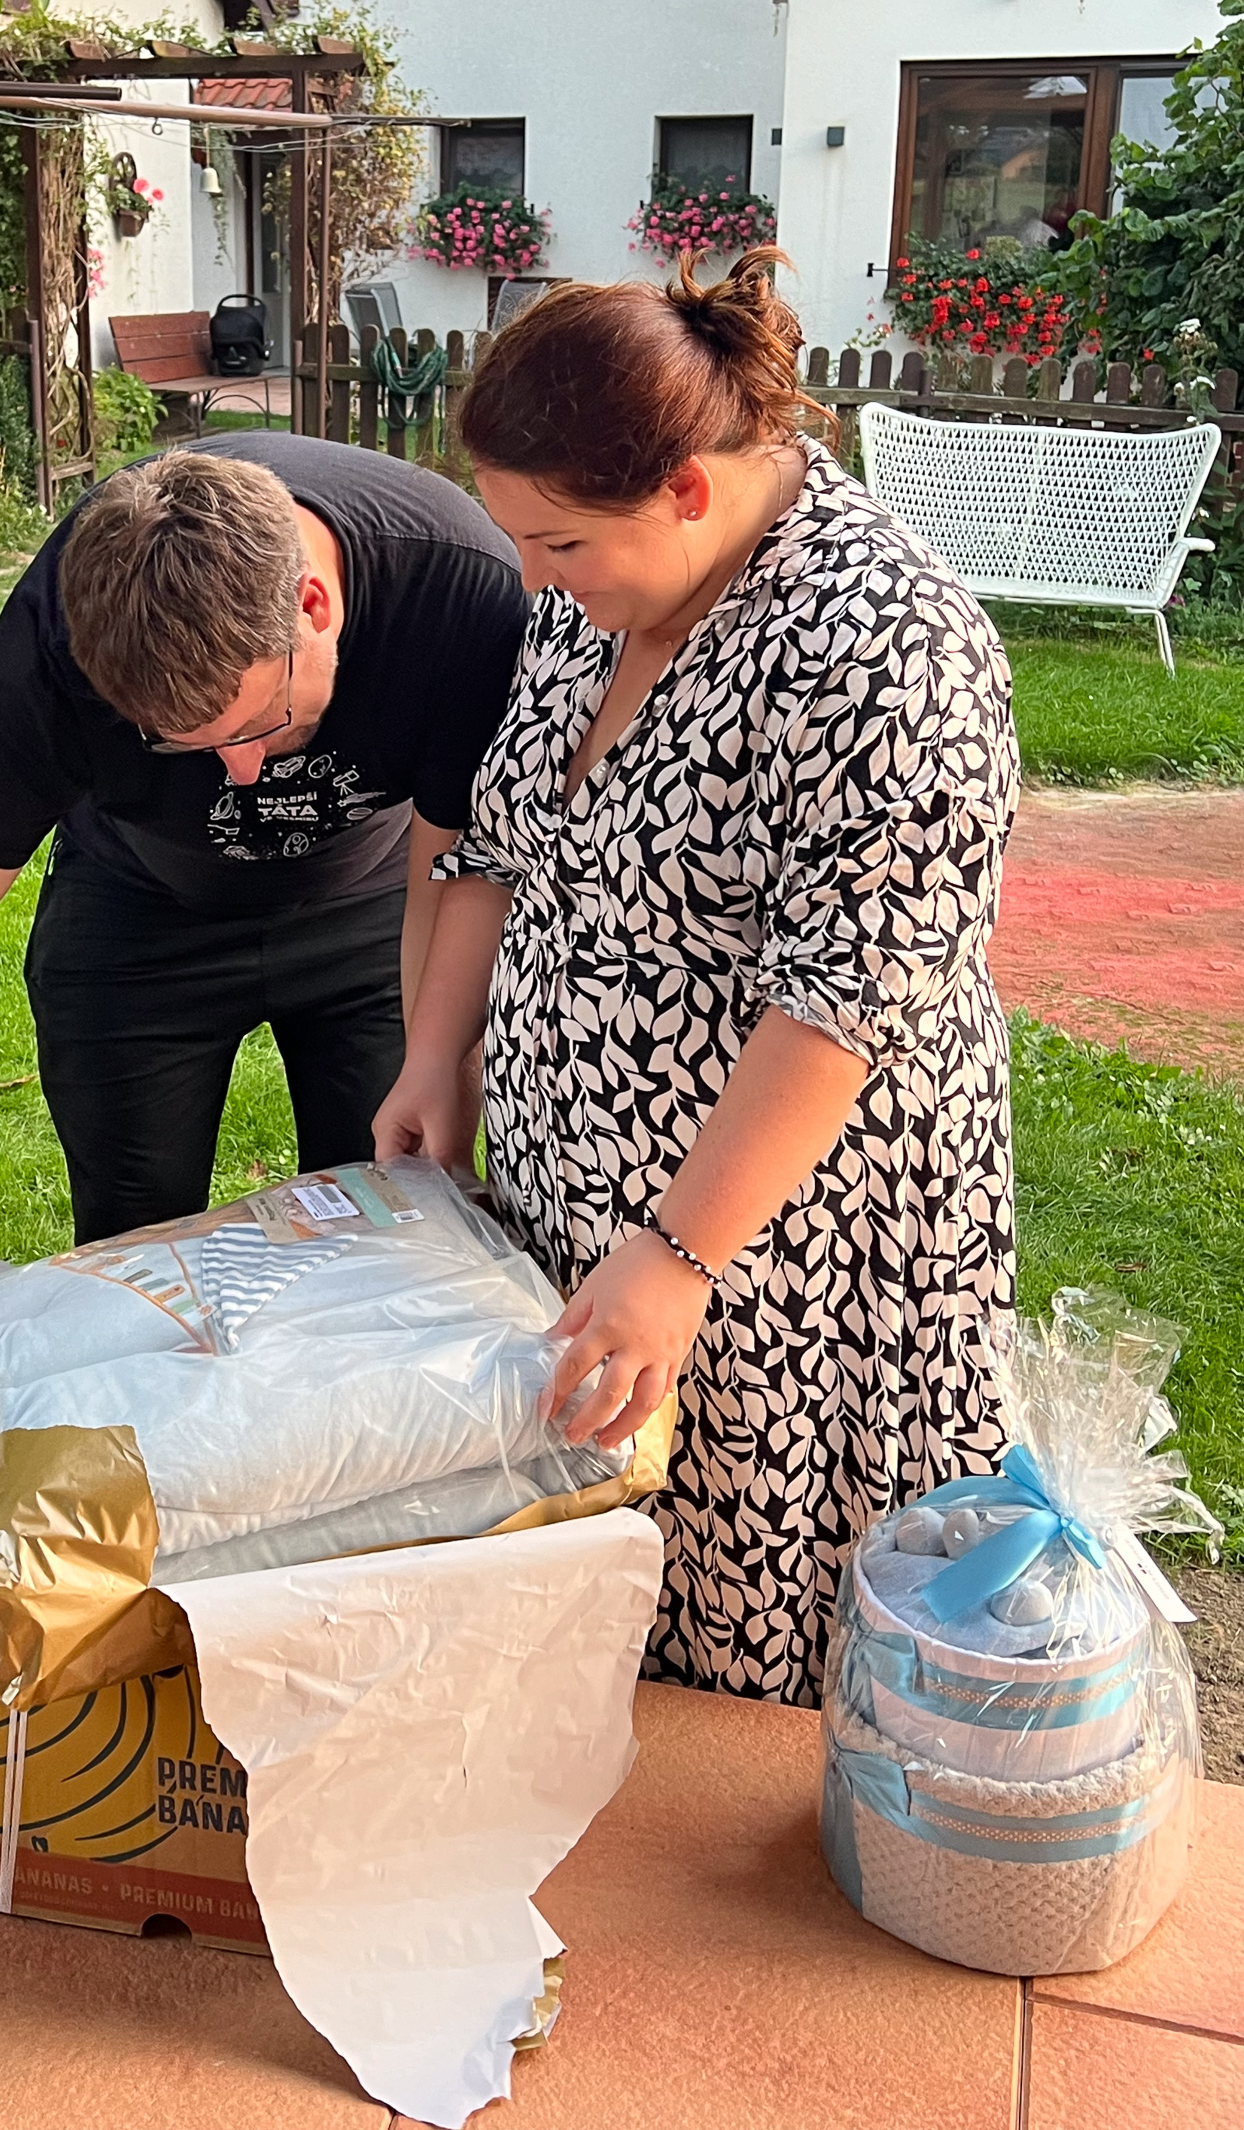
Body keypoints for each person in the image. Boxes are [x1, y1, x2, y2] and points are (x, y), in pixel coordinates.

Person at [374, 252, 1019, 1707]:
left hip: (776, 1248)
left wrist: (674, 1258)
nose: (530, 578)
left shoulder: (889, 645)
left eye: (554, 542)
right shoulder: (592, 592)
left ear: (681, 487)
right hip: (580, 1205)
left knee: (737, 1607)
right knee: (589, 1582)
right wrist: (436, 1055)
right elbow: (501, 841)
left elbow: (844, 1000)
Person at [0, 433, 527, 1416]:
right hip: (136, 910)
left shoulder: (459, 588)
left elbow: (452, 869)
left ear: (314, 607)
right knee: (129, 1263)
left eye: (259, 725)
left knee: (376, 1248)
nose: (239, 773)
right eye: (183, 745)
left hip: (372, 908)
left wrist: (436, 1061)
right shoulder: (55, 639)